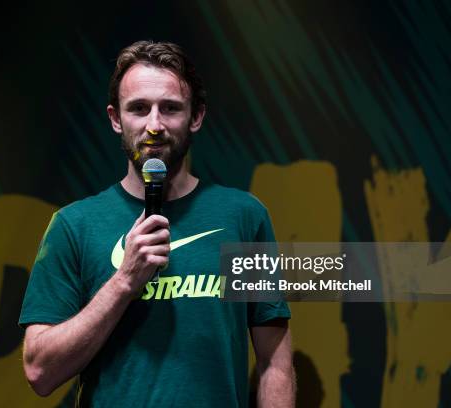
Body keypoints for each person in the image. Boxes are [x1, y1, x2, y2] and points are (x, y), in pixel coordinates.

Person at [19, 40, 295, 407]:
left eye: (170, 108)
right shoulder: (73, 225)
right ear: (116, 119)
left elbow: (275, 364)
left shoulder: (243, 217)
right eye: (138, 108)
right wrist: (123, 282)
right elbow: (40, 372)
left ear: (195, 117)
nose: (154, 125)